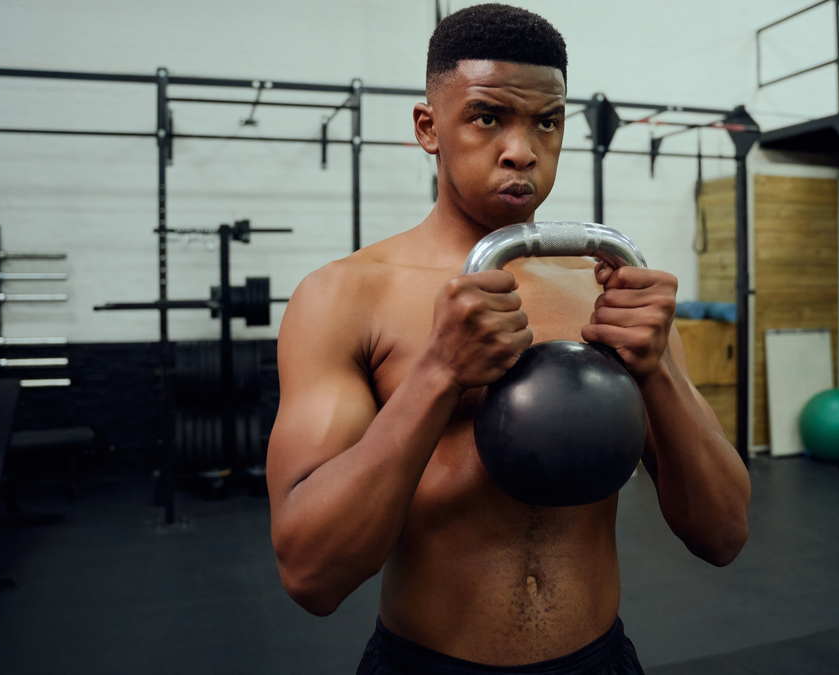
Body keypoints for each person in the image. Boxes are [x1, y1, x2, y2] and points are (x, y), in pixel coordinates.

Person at [266, 4, 751, 673]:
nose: (522, 148)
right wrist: (438, 374)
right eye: (488, 116)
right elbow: (311, 574)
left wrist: (657, 372)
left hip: (600, 659)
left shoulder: (612, 291)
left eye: (546, 121)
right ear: (428, 127)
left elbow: (723, 533)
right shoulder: (343, 297)